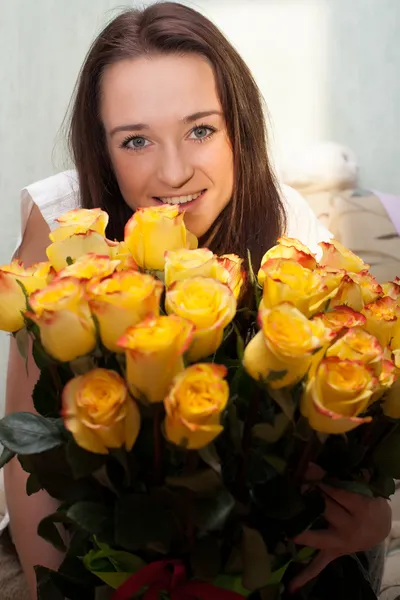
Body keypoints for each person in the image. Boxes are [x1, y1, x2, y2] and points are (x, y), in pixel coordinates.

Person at [4, 3, 391, 599]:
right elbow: (34, 462)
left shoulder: (290, 227)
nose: (176, 171)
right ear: (102, 150)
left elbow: (335, 447)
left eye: (201, 130)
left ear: (239, 125)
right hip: (109, 531)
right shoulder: (64, 224)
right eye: (136, 140)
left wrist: (376, 520)